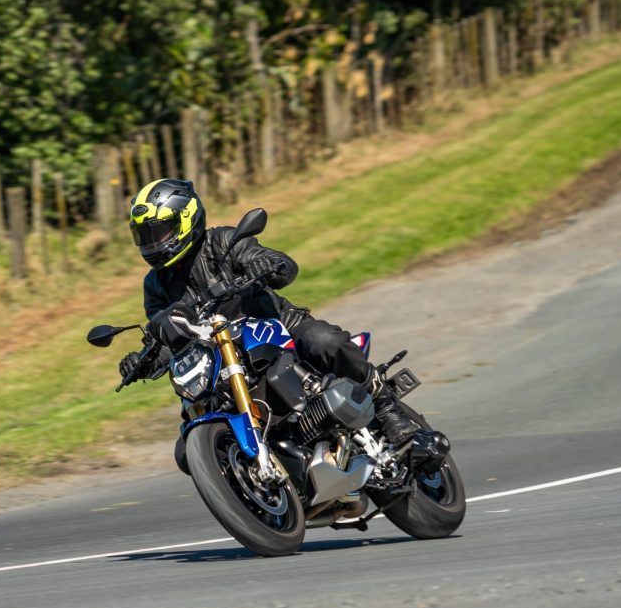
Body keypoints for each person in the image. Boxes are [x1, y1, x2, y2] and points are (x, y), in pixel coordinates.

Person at [119, 178, 417, 445]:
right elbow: (167, 338)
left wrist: (267, 264)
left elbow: (280, 264)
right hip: (219, 363)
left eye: (159, 233)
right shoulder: (155, 285)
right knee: (188, 442)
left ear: (185, 219)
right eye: (145, 236)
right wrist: (143, 361)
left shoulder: (222, 242)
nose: (153, 244)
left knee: (325, 341)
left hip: (277, 328)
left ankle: (386, 407)